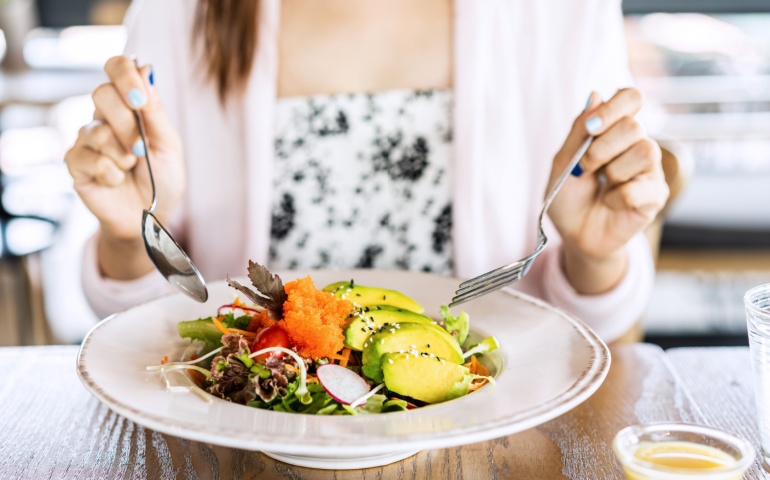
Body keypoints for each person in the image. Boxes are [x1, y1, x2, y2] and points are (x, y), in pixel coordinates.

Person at [64, 0, 669, 343]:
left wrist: (595, 256)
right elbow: (150, 320)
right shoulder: (178, 12)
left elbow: (592, 329)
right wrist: (133, 234)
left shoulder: (563, 12)